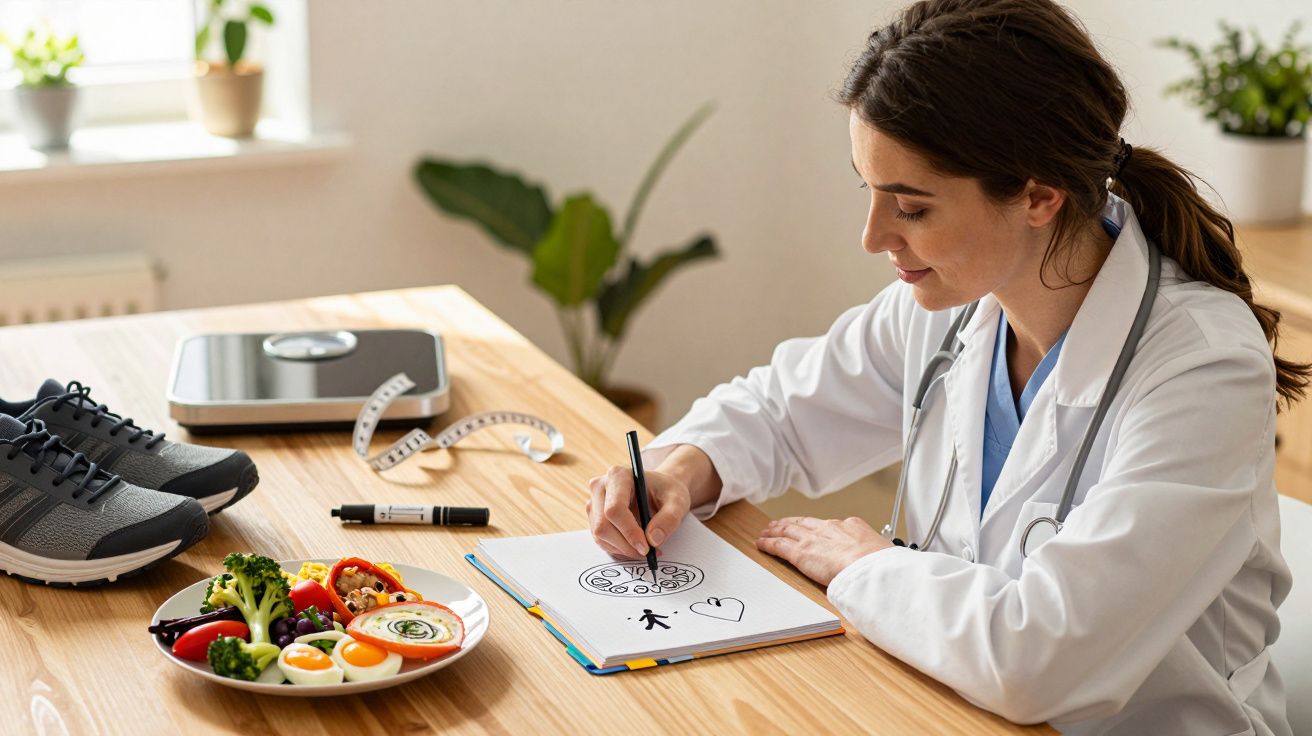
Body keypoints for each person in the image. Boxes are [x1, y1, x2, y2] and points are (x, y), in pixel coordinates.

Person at [584, 0, 1300, 732]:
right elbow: (781, 411)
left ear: (1039, 194)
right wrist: (682, 468)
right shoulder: (956, 302)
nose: (873, 238)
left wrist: (863, 566)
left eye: (912, 208)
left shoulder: (1201, 371)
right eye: (870, 192)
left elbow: (1038, 660)